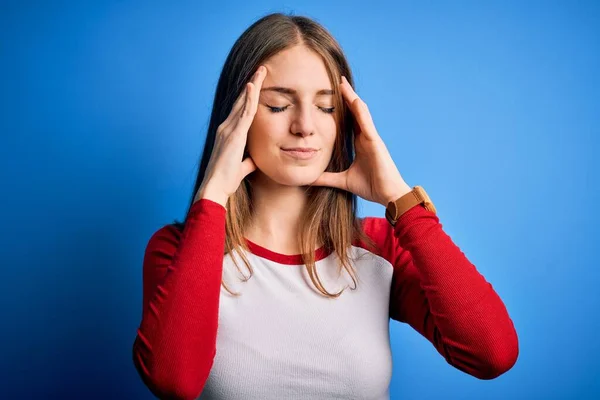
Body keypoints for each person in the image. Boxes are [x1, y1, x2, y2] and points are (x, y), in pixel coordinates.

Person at [131, 12, 519, 400]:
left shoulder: (378, 248)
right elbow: (173, 381)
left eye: (326, 107)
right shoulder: (179, 250)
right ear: (236, 118)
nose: (305, 125)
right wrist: (212, 198)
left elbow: (492, 354)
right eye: (279, 106)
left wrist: (401, 200)